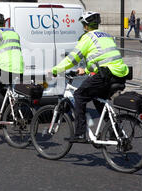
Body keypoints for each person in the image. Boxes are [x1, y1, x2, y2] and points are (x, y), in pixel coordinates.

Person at [49, 11, 129, 143]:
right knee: (99, 100)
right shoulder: (106, 36)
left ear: (85, 26)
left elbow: (72, 59)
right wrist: (85, 70)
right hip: (120, 74)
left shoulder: (87, 37)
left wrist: (55, 70)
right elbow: (102, 58)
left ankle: (80, 134)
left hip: (106, 75)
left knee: (79, 96)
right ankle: (115, 132)